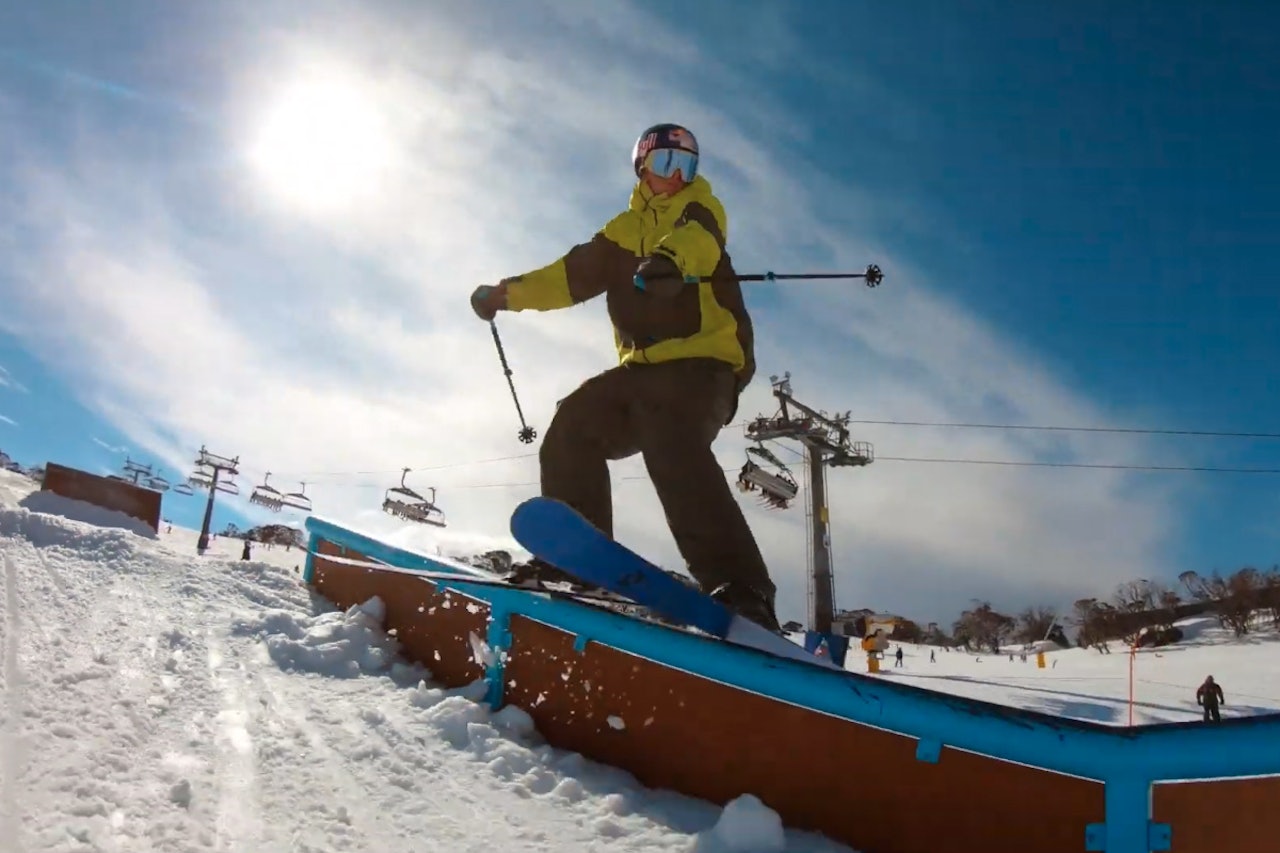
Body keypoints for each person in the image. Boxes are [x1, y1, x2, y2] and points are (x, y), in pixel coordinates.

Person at [469, 123, 779, 632]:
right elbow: (564, 279)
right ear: (642, 169)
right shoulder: (618, 235)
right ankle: (578, 560)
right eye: (665, 165)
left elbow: (698, 242)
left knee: (670, 435)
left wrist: (669, 263)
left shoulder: (700, 210)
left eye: (687, 166)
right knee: (575, 422)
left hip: (707, 368)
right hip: (642, 374)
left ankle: (743, 588)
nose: (677, 176)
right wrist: (506, 295)